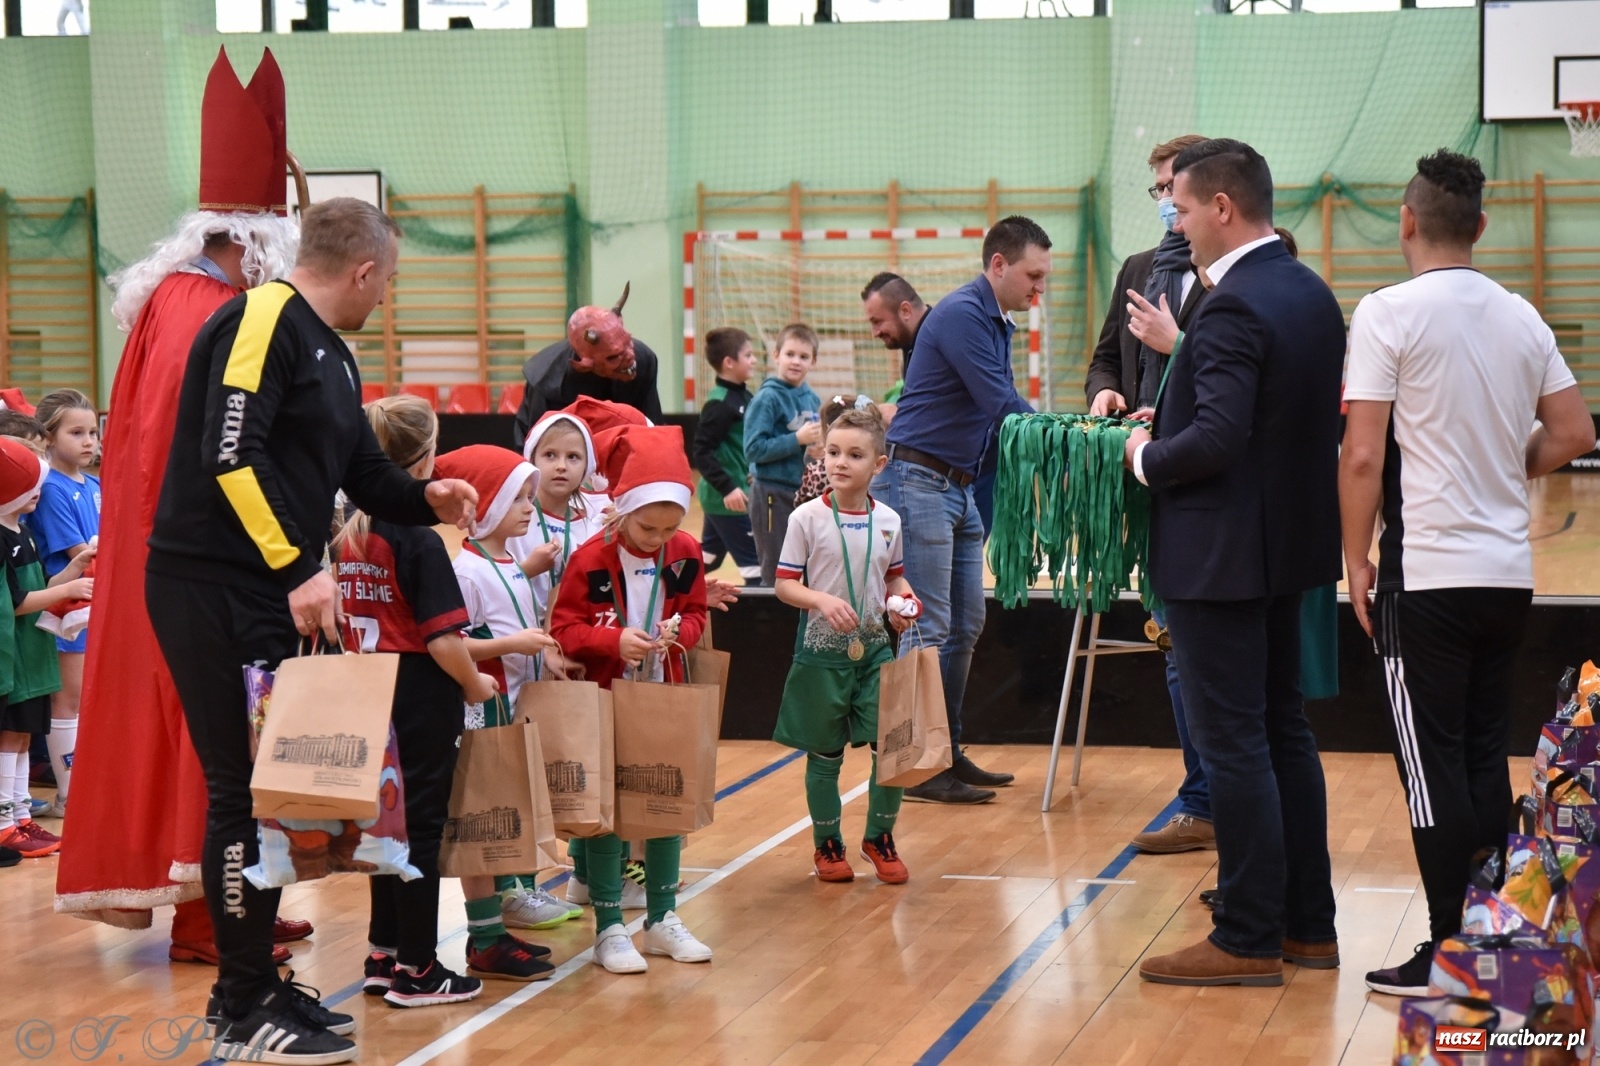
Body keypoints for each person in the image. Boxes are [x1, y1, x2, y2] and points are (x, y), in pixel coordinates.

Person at [145, 197, 478, 1064]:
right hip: (213, 585)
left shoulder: (334, 349)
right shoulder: (262, 318)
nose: (385, 295)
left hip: (267, 589)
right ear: (363, 271)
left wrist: (423, 497)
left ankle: (256, 986)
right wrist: (299, 566)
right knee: (240, 793)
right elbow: (231, 455)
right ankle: (240, 998)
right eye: (388, 281)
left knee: (272, 791)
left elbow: (358, 467)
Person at [52, 46, 312, 968]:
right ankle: (213, 916)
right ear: (249, 243)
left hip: (173, 553)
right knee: (212, 734)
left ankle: (237, 901)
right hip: (200, 564)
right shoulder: (212, 312)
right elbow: (210, 449)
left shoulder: (175, 297)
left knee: (220, 729)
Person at [1341, 150, 1596, 996]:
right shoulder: (1522, 316)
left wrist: (1355, 557)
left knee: (1429, 773)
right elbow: (1574, 432)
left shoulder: (1387, 313)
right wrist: (1504, 463)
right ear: (1481, 227)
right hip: (1506, 579)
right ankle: (1494, 946)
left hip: (1430, 581)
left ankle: (1453, 952)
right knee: (1486, 760)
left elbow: (1363, 455)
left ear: (1406, 222)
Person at [1126, 139, 1343, 988]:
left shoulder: (1234, 304)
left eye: (1180, 208)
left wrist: (1144, 454)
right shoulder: (1308, 291)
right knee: (1284, 731)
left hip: (1222, 558)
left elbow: (1213, 442)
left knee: (1236, 744)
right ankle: (1306, 923)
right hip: (1287, 549)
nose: (1174, 225)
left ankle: (1247, 935)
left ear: (1222, 207)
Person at [872, 216, 1047, 805]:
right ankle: (914, 764)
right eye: (1032, 275)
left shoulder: (993, 318)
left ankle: (943, 750)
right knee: (926, 627)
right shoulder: (964, 314)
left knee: (964, 626)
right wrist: (1065, 445)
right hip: (918, 482)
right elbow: (1000, 401)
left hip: (957, 488)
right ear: (998, 265)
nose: (1038, 289)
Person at [335, 396, 496, 1008]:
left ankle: (384, 952)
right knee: (419, 832)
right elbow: (443, 639)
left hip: (365, 688)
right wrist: (475, 684)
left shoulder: (353, 530)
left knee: (382, 825)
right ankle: (419, 969)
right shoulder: (419, 539)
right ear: (426, 458)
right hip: (417, 693)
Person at [1084, 134, 1214, 856]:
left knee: (1201, 651)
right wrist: (1108, 389)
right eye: (1157, 189)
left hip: (1208, 482)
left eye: (1175, 187)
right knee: (1171, 645)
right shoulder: (1138, 267)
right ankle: (1200, 795)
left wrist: (1179, 349)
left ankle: (1210, 797)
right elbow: (1109, 351)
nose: (1165, 201)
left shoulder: (1234, 276)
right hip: (1143, 477)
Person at [549, 424, 713, 974]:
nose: (657, 538)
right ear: (621, 510)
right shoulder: (590, 558)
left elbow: (696, 613)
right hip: (603, 699)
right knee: (608, 816)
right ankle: (609, 927)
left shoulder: (684, 551)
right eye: (647, 526)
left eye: (670, 527)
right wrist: (611, 641)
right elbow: (565, 630)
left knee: (665, 806)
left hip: (662, 696)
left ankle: (662, 919)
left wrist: (679, 636)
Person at [432, 443, 571, 977]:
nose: (529, 509)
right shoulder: (466, 569)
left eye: (531, 499)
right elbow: (454, 644)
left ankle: (499, 924)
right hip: (482, 713)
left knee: (504, 819)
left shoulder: (511, 561)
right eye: (519, 499)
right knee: (479, 827)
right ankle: (484, 937)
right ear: (486, 504)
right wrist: (511, 647)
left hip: (512, 709)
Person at [772, 402, 919, 884]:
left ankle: (879, 836)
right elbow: (784, 584)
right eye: (832, 451)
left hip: (876, 650)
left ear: (878, 465)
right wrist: (819, 599)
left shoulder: (890, 521)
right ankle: (827, 844)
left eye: (854, 455)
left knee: (890, 749)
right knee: (825, 755)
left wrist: (905, 601)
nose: (839, 462)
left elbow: (894, 579)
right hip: (820, 655)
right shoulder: (806, 518)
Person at [0, 438, 92, 860]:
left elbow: (39, 590)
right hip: (13, 655)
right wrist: (71, 587)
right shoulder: (3, 537)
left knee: (23, 735)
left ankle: (20, 817)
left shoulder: (24, 532)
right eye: (32, 483)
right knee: (10, 735)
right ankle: (5, 822)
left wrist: (72, 572)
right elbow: (17, 603)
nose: (41, 490)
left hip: (32, 654)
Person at [24, 389, 100, 822]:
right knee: (67, 702)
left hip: (98, 603)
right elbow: (79, 550)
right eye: (76, 432)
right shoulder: (50, 487)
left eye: (93, 432)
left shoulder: (93, 485)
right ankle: (71, 795)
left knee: (87, 700)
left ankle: (86, 789)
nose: (89, 441)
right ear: (49, 437)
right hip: (66, 607)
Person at [511, 284, 664, 450]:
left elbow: (652, 429)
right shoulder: (547, 380)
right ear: (584, 365)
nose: (629, 357)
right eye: (614, 356)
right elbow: (538, 447)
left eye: (628, 343)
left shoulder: (643, 360)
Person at [745, 323, 824, 586]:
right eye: (790, 354)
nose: (796, 362)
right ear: (776, 355)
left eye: (803, 357)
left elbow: (808, 448)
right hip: (770, 494)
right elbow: (753, 449)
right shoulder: (767, 398)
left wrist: (815, 451)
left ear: (813, 361)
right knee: (775, 565)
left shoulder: (811, 398)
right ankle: (772, 623)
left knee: (802, 563)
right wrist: (796, 439)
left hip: (801, 493)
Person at [693, 327, 762, 584]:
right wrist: (728, 488)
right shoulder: (720, 404)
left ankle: (666, 587)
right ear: (729, 362)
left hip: (734, 495)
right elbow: (701, 451)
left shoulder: (744, 395)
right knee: (757, 570)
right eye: (748, 354)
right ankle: (760, 623)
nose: (754, 359)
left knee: (708, 557)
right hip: (728, 500)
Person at [861, 272, 932, 426]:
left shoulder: (942, 342)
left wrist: (899, 413)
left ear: (905, 311)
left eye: (878, 322)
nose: (875, 333)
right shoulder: (913, 345)